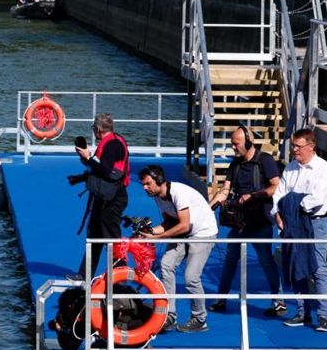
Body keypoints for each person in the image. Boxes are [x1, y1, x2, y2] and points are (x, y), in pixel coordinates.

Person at [207, 126, 284, 316]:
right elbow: (225, 189)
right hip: (239, 223)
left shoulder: (265, 161)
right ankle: (221, 299)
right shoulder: (235, 164)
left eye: (236, 144)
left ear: (248, 142)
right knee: (229, 261)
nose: (233, 147)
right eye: (232, 144)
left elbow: (276, 186)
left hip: (261, 222)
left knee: (267, 261)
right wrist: (208, 208)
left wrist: (254, 195)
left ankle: (278, 301)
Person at [139, 165, 219, 333]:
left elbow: (184, 224)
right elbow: (169, 222)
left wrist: (158, 237)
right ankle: (169, 314)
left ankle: (199, 318)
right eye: (143, 184)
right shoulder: (158, 196)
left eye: (147, 183)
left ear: (159, 180)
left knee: (191, 277)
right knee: (166, 265)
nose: (144, 188)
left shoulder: (178, 193)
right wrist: (150, 231)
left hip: (203, 233)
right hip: (185, 230)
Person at [271, 128, 327, 331]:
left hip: (316, 223)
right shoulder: (291, 168)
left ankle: (324, 315)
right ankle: (303, 313)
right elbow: (279, 195)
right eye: (293, 145)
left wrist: (291, 204)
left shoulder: (323, 169)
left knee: (318, 269)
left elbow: (316, 200)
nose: (294, 150)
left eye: (298, 146)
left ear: (311, 147)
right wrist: (278, 212)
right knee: (296, 266)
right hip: (291, 224)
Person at [67, 113, 130, 279]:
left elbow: (106, 171)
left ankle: (120, 274)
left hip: (114, 198)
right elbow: (100, 171)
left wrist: (87, 157)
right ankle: (84, 275)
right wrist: (79, 178)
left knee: (111, 235)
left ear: (98, 129)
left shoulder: (112, 145)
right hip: (104, 196)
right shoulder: (111, 142)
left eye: (93, 129)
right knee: (94, 234)